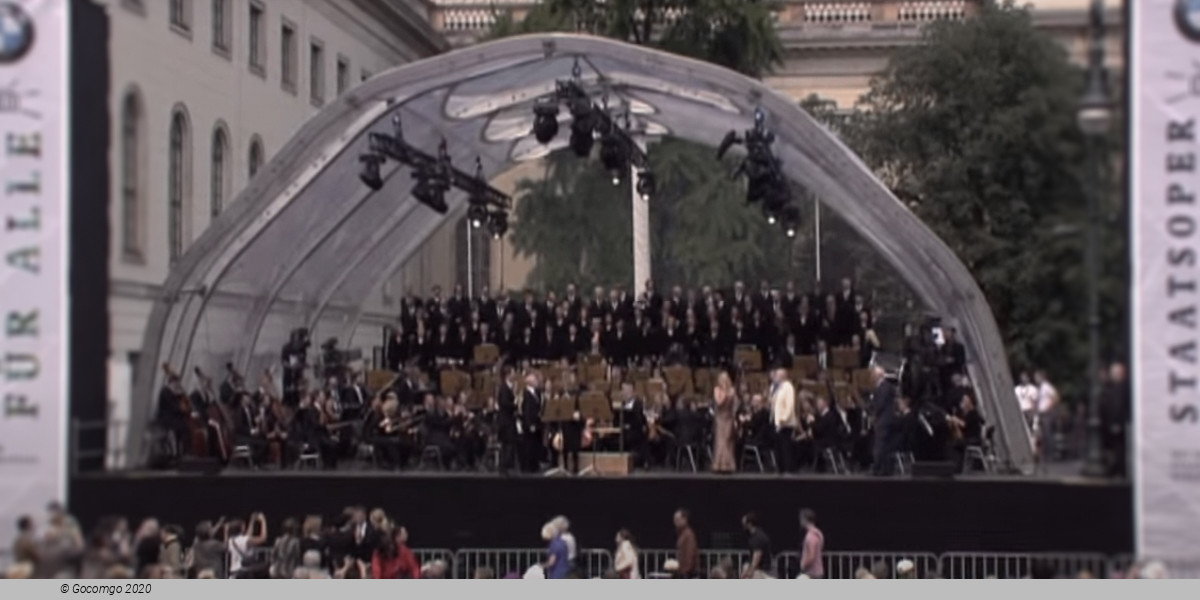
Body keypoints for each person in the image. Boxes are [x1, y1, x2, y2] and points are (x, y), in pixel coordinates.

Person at [770, 367, 797, 473]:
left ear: (783, 376)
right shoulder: (776, 388)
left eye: (777, 375)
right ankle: (780, 468)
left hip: (786, 423)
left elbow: (789, 405)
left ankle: (788, 469)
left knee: (785, 446)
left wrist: (783, 419)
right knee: (778, 447)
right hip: (777, 422)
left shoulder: (788, 387)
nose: (775, 376)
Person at [226, 513, 268, 578]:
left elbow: (247, 536)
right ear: (240, 528)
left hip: (234, 572)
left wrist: (252, 522)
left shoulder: (230, 541)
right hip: (244, 572)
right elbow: (263, 538)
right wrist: (263, 521)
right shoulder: (245, 540)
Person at [711, 371, 738, 473]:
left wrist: (734, 417)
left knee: (728, 441)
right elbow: (719, 402)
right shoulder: (717, 390)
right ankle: (719, 465)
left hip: (729, 417)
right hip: (720, 418)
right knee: (720, 441)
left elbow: (735, 405)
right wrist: (726, 394)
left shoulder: (732, 390)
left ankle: (729, 465)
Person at [741, 512, 772, 578]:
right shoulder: (755, 536)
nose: (743, 525)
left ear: (749, 524)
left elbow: (756, 558)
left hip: (762, 571)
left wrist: (748, 573)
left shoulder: (757, 538)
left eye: (744, 523)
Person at [798, 508, 825, 578]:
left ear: (804, 519)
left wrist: (803, 565)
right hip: (818, 571)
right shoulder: (818, 533)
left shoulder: (810, 536)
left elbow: (811, 555)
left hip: (811, 573)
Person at [673, 509, 698, 579]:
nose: (675, 522)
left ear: (684, 519)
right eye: (675, 519)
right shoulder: (682, 534)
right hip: (682, 571)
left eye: (677, 519)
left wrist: (685, 571)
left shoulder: (688, 534)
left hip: (687, 573)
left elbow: (689, 553)